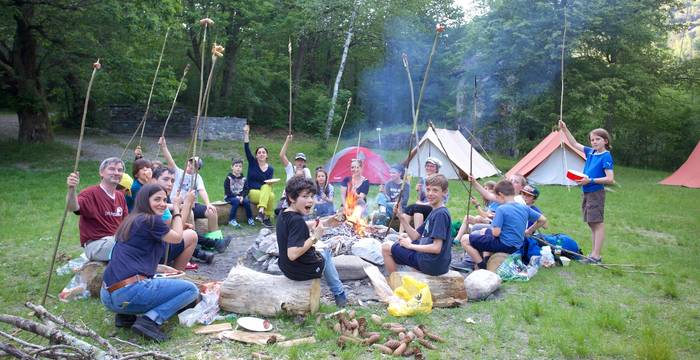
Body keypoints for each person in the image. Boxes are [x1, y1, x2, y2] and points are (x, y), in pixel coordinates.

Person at [100, 184, 200, 342]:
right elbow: (177, 237)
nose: (161, 203)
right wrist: (182, 205)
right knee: (190, 290)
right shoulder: (150, 220)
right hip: (127, 293)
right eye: (157, 199)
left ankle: (125, 317)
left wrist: (159, 267)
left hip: (107, 295)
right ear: (145, 201)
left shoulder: (132, 219)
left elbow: (132, 257)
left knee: (151, 279)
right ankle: (150, 321)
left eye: (164, 199)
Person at [276, 176, 347, 307]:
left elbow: (300, 225)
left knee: (322, 250)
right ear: (292, 198)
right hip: (299, 271)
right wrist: (315, 237)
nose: (310, 200)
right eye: (305, 196)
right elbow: (292, 254)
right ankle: (339, 293)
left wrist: (325, 222)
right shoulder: (296, 221)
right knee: (325, 252)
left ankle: (339, 292)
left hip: (285, 266)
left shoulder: (285, 213)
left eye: (312, 196)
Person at [459, 180, 548, 270]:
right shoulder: (524, 207)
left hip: (505, 244)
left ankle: (482, 265)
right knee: (483, 231)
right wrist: (530, 230)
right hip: (516, 244)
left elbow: (496, 233)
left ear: (501, 195)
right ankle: (487, 259)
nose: (496, 200)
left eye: (497, 197)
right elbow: (543, 220)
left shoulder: (501, 209)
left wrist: (494, 223)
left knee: (465, 239)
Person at [559, 120, 614, 264]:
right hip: (587, 191)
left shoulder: (606, 156)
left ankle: (596, 256)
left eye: (598, 139)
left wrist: (590, 180)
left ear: (605, 141)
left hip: (595, 192)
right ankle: (593, 254)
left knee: (597, 223)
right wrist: (565, 129)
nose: (594, 142)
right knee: (591, 222)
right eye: (592, 139)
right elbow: (574, 144)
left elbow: (610, 179)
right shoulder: (591, 152)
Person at [158, 137, 227, 250]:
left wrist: (208, 203)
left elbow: (202, 190)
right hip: (178, 205)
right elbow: (170, 160)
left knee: (212, 211)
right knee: (190, 214)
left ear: (198, 169)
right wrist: (164, 146)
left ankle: (216, 240)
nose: (190, 167)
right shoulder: (178, 172)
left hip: (193, 205)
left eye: (194, 166)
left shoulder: (197, 178)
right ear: (187, 163)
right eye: (190, 164)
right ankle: (195, 245)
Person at [381, 174, 453, 276]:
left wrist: (410, 246)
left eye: (435, 190)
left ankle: (395, 285)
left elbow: (436, 248)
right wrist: (401, 217)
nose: (430, 193)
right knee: (404, 241)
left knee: (386, 247)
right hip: (435, 263)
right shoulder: (435, 211)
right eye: (428, 190)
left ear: (444, 192)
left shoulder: (440, 214)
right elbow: (415, 235)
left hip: (430, 263)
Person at [66, 157, 128, 262]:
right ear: (101, 173)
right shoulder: (90, 193)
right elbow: (72, 207)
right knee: (119, 245)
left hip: (115, 241)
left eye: (120, 170)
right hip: (96, 245)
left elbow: (126, 223)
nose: (116, 173)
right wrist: (72, 189)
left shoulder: (120, 196)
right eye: (112, 169)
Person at [151, 166, 214, 266]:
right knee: (192, 235)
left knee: (190, 231)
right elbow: (176, 233)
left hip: (156, 248)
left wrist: (182, 223)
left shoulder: (158, 197)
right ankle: (177, 272)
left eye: (172, 181)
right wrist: (186, 204)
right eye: (166, 179)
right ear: (153, 181)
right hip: (152, 254)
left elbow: (172, 225)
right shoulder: (155, 200)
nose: (169, 184)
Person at [243, 124, 275, 227]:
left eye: (263, 152)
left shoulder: (270, 169)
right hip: (252, 192)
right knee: (270, 195)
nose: (261, 154)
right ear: (256, 155)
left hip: (263, 192)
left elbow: (269, 184)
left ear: (267, 155)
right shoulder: (252, 163)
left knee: (270, 192)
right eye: (259, 152)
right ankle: (266, 217)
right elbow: (247, 148)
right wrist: (246, 134)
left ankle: (262, 212)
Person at [401, 157, 446, 229]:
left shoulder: (440, 180)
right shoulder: (423, 180)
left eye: (432, 166)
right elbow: (421, 198)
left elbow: (442, 200)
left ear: (436, 169)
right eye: (427, 166)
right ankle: (401, 233)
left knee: (417, 208)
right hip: (423, 206)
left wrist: (422, 203)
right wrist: (419, 191)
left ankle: (417, 233)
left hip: (434, 207)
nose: (429, 168)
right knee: (409, 208)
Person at [224, 158, 255, 227]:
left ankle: (250, 218)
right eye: (236, 166)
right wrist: (236, 197)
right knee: (236, 201)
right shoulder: (228, 179)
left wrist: (242, 196)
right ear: (232, 167)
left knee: (246, 202)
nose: (238, 168)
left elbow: (246, 189)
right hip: (230, 197)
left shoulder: (244, 179)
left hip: (240, 197)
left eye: (240, 166)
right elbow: (227, 191)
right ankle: (232, 219)